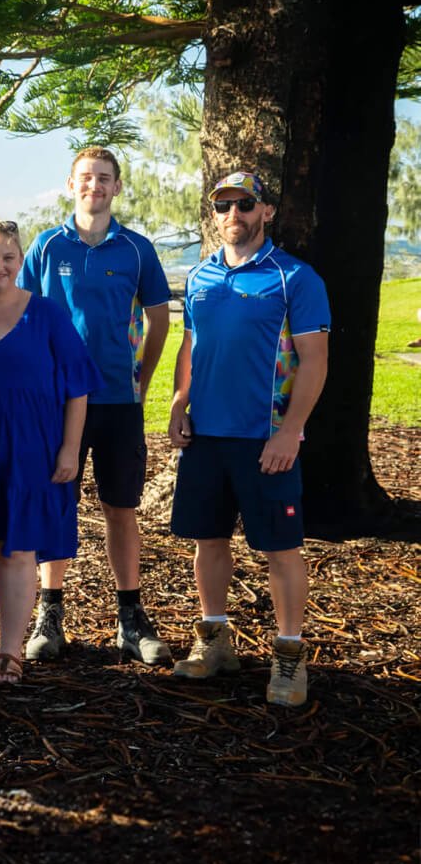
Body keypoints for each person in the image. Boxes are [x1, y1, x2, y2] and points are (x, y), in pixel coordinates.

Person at [168, 172, 329, 707]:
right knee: (207, 541)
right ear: (213, 213)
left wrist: (289, 432)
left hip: (266, 440)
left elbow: (315, 361)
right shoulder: (199, 277)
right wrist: (178, 402)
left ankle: (289, 656)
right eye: (223, 205)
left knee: (282, 550)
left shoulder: (294, 278)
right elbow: (191, 346)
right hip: (206, 437)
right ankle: (215, 640)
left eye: (244, 204)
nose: (233, 214)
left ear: (266, 211)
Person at [18, 147, 173, 665]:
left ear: (117, 187)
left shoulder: (136, 249)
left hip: (116, 400)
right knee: (56, 503)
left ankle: (130, 619)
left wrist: (143, 379)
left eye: (104, 178)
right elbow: (23, 316)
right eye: (86, 177)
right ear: (70, 184)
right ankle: (49, 615)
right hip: (55, 402)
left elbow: (159, 320)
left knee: (120, 508)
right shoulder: (45, 246)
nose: (95, 186)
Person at [0, 221, 100, 684]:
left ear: (21, 261)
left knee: (17, 552)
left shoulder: (46, 313)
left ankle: (10, 653)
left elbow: (78, 387)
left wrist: (70, 450)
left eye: (8, 257)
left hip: (31, 448)